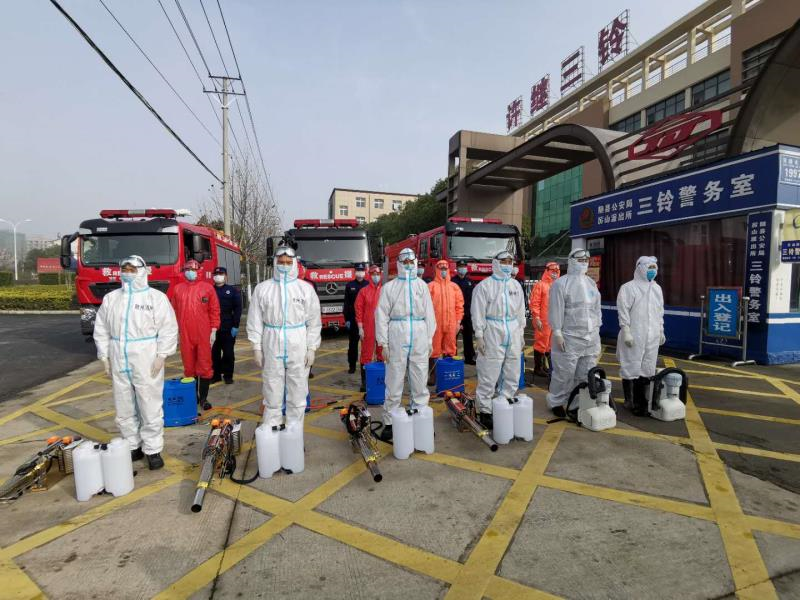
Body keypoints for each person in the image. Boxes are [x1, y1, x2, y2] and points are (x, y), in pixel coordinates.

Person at [94, 256, 178, 470]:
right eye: (125, 269)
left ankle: (153, 449)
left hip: (146, 355)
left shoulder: (156, 298)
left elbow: (168, 328)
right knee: (123, 404)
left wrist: (162, 355)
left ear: (143, 271)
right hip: (118, 354)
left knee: (149, 403)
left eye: (133, 269)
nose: (128, 273)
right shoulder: (111, 299)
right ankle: (132, 445)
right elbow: (101, 327)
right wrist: (104, 355)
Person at [246, 246, 321, 428]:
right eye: (281, 262)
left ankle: (294, 431)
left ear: (294, 263)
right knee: (272, 386)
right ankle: (273, 427)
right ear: (275, 263)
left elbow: (314, 321)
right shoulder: (263, 289)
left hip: (298, 341)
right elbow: (255, 320)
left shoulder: (305, 289)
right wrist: (256, 347)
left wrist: (311, 348)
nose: (284, 265)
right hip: (272, 341)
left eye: (288, 262)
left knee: (298, 388)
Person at [375, 248, 436, 442]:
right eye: (405, 262)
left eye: (411, 261)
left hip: (419, 333)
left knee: (420, 379)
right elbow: (381, 316)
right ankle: (390, 422)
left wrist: (429, 339)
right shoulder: (389, 288)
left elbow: (429, 314)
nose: (409, 265)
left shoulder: (422, 286)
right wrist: (383, 343)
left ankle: (420, 418)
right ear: (399, 264)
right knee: (394, 379)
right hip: (397, 333)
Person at [471, 251, 526, 430]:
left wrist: (521, 332)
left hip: (513, 329)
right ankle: (485, 410)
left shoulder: (515, 285)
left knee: (513, 370)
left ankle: (505, 403)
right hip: (492, 330)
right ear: (495, 263)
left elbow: (520, 311)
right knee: (489, 371)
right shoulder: (484, 286)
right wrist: (479, 335)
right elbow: (477, 312)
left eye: (510, 261)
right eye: (504, 261)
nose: (507, 264)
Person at [546, 249, 602, 417]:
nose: (583, 263)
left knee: (585, 373)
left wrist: (597, 329)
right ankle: (556, 402)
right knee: (564, 373)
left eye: (586, 260)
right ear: (571, 261)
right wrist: (557, 331)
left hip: (590, 337)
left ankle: (576, 403)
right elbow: (556, 309)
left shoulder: (591, 283)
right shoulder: (561, 284)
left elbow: (596, 310)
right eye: (580, 259)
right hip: (569, 337)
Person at [169, 259, 220, 412]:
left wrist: (214, 329)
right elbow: (173, 311)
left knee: (204, 365)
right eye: (187, 269)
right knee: (189, 367)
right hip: (185, 333)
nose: (190, 272)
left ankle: (203, 399)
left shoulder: (207, 288)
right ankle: (193, 398)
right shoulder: (178, 289)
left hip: (203, 333)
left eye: (193, 269)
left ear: (199, 271)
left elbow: (214, 310)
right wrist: (174, 331)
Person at [617, 256, 665, 416]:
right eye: (649, 267)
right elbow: (623, 311)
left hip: (652, 336)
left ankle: (642, 402)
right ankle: (630, 401)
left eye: (654, 268)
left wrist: (661, 330)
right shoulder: (628, 288)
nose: (652, 271)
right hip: (634, 335)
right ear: (640, 268)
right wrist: (626, 331)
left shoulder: (657, 289)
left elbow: (659, 312)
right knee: (631, 366)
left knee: (647, 368)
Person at [427, 259, 464, 384]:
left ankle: (448, 374)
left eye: (445, 269)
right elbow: (425, 307)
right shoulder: (431, 286)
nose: (443, 271)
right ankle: (433, 375)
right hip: (435, 325)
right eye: (441, 268)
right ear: (436, 270)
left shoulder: (454, 287)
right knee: (434, 349)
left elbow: (459, 306)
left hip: (451, 324)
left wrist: (458, 322)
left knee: (450, 349)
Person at [355, 264, 385, 392]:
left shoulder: (385, 291)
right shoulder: (364, 291)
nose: (375, 276)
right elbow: (359, 309)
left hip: (382, 325)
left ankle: (380, 379)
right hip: (368, 326)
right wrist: (360, 326)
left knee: (382, 352)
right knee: (366, 353)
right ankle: (365, 382)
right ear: (369, 275)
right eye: (373, 274)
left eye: (377, 274)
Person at [211, 267, 242, 385]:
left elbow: (238, 308)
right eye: (216, 273)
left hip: (228, 327)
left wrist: (236, 325)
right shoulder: (209, 290)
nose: (218, 275)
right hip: (213, 328)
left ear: (226, 276)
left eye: (221, 273)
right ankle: (216, 375)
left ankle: (228, 375)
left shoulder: (232, 290)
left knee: (228, 353)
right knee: (214, 354)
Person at [529, 262, 560, 379]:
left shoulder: (557, 286)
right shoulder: (540, 285)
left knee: (549, 345)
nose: (555, 273)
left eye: (557, 271)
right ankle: (538, 368)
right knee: (541, 343)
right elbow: (535, 302)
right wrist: (536, 317)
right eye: (552, 271)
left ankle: (544, 366)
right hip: (543, 320)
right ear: (547, 271)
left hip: (554, 320)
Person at [343, 263, 369, 374]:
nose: (360, 272)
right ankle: (352, 365)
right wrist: (347, 319)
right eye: (358, 270)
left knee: (366, 345)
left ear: (365, 271)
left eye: (362, 270)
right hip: (353, 319)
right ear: (355, 271)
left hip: (366, 319)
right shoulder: (350, 285)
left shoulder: (368, 284)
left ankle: (365, 365)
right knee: (353, 344)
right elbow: (347, 303)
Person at [452, 260, 475, 365]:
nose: (462, 268)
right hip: (456, 314)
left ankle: (469, 358)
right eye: (460, 266)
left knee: (468, 337)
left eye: (464, 266)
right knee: (453, 337)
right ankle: (453, 357)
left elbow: (473, 298)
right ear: (457, 268)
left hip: (467, 314)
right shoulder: (452, 282)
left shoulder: (470, 282)